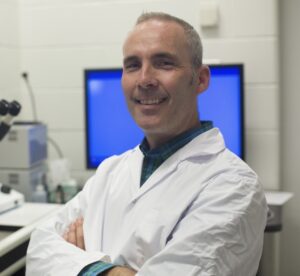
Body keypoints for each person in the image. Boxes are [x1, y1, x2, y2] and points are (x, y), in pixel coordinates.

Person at [26, 12, 268, 276]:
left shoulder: (233, 186)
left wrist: (82, 264)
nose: (144, 79)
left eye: (164, 63)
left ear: (200, 79)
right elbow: (39, 250)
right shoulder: (110, 171)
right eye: (132, 65)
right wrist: (116, 271)